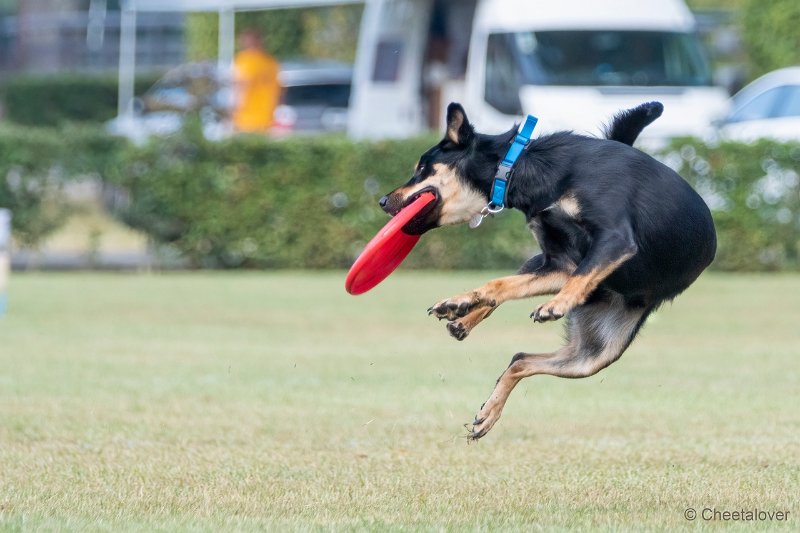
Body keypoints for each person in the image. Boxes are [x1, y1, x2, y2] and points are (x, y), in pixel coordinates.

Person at [232, 29, 281, 133]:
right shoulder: (271, 62)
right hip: (267, 118)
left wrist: (234, 113)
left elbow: (240, 88)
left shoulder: (243, 61)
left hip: (245, 118)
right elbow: (278, 90)